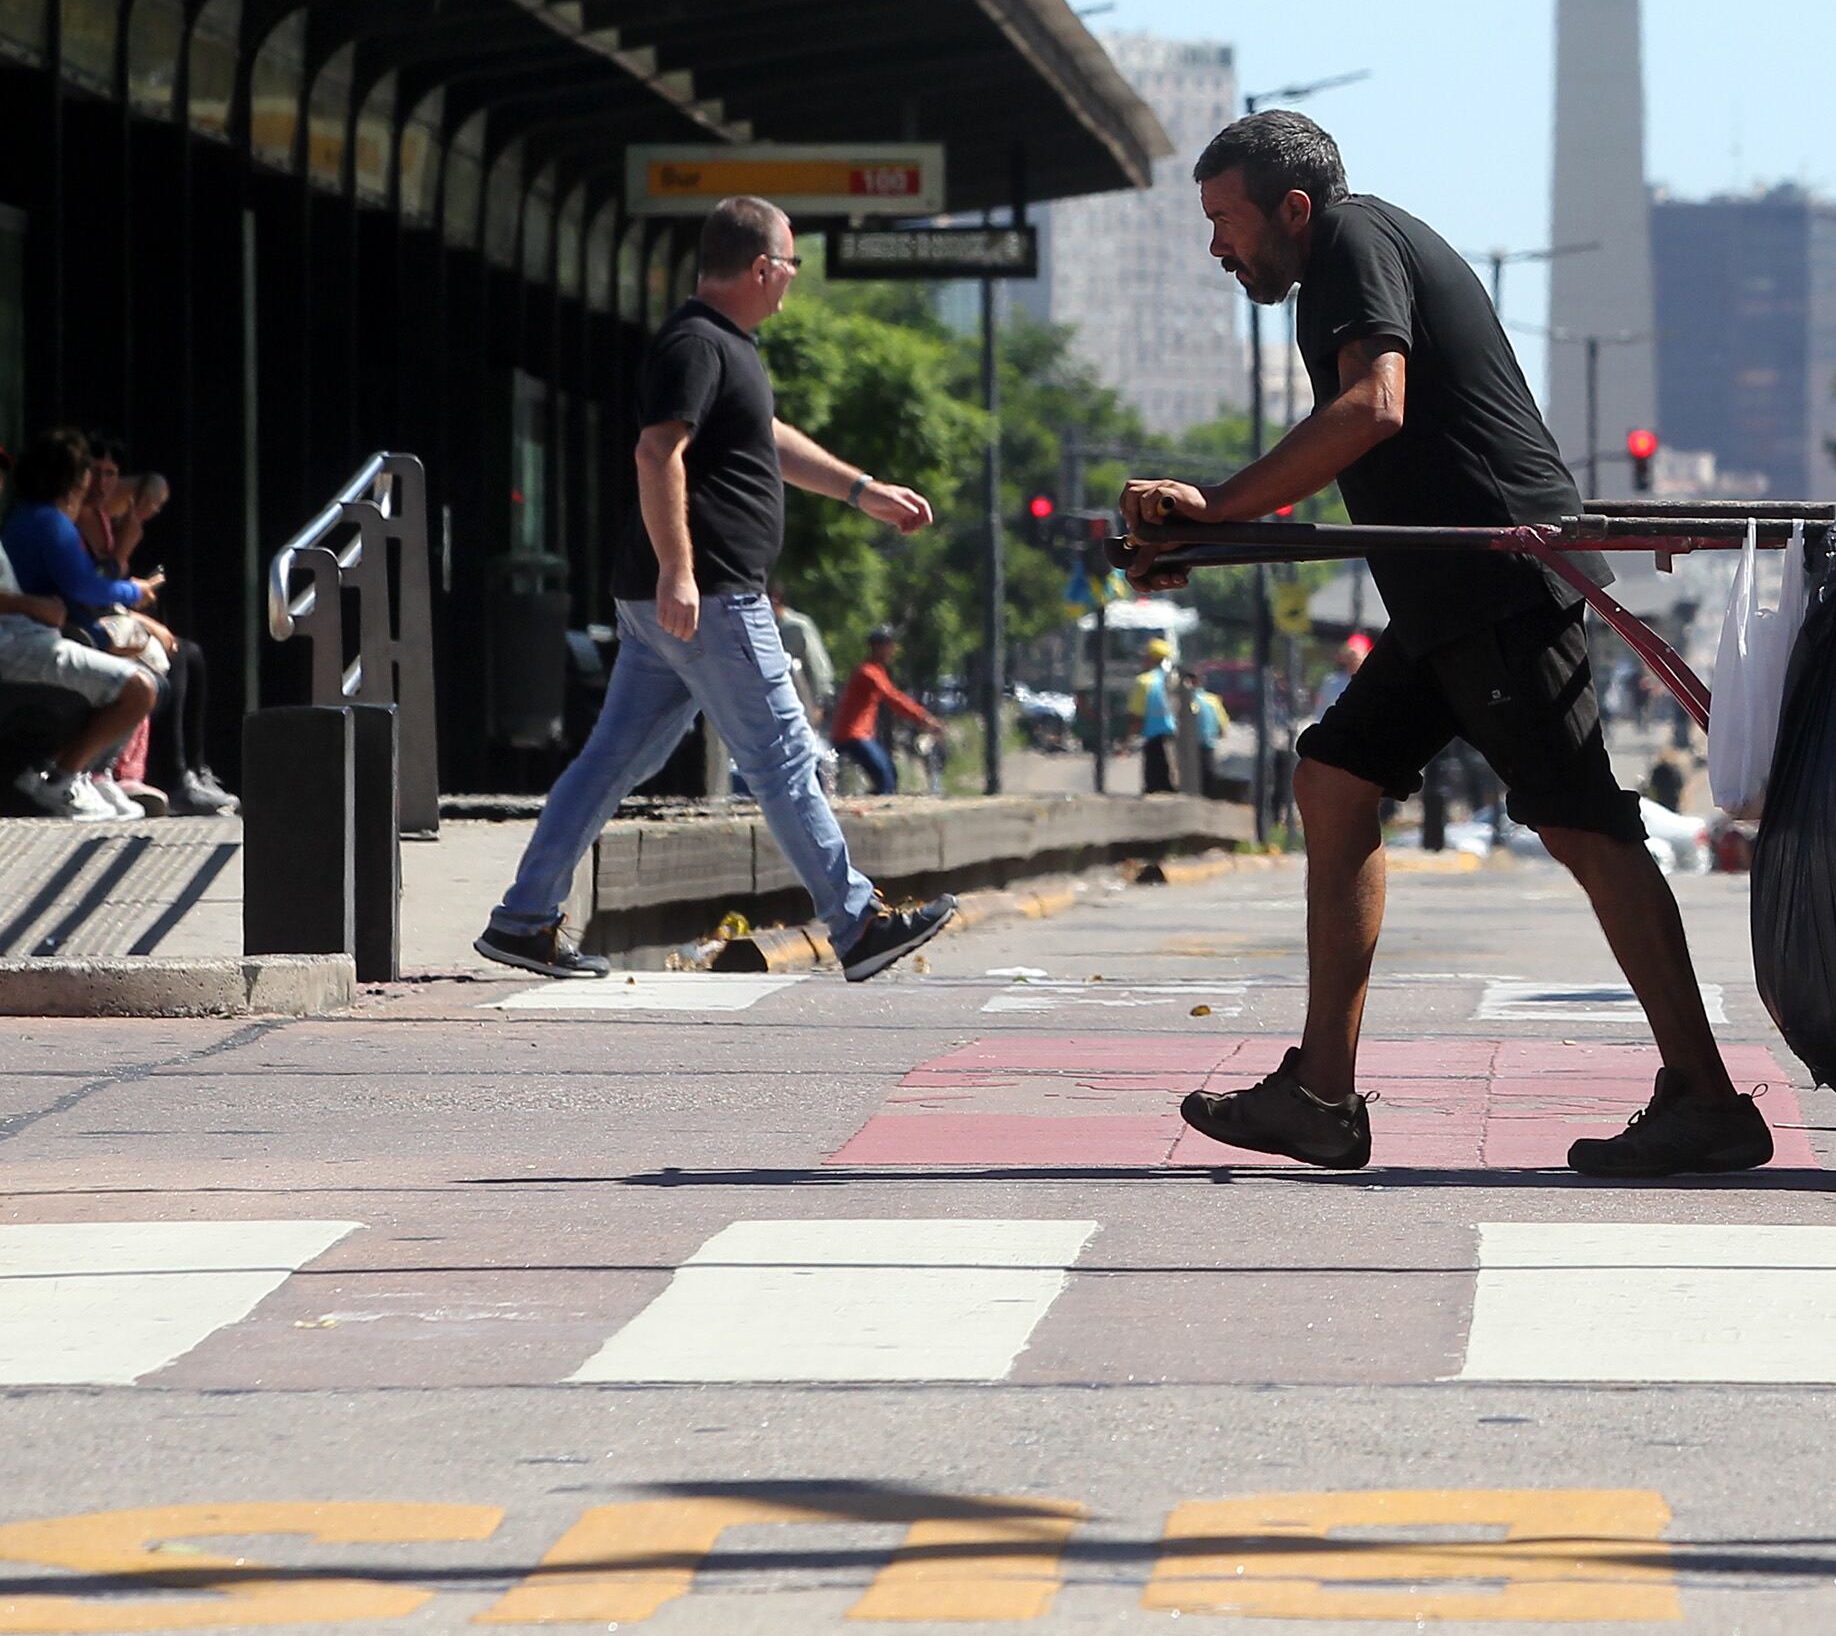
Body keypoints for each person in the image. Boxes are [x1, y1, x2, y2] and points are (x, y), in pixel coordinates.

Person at [1121, 109, 1767, 1178]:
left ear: (1292, 208)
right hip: (1446, 593)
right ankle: (1322, 1095)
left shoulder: (1351, 245)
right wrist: (1216, 526)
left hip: (1496, 582)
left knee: (1582, 823)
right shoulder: (1337, 260)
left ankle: (1706, 1096)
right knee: (1332, 777)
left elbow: (1374, 407)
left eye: (1226, 221)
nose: (1215, 245)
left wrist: (1222, 506)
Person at [475, 196, 961, 982]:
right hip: (712, 598)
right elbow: (655, 452)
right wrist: (681, 570)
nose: (793, 281)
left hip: (678, 605)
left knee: (609, 764)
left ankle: (525, 919)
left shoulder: (727, 348)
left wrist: (860, 488)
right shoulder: (697, 343)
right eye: (792, 266)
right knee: (782, 761)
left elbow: (766, 436)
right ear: (764, 267)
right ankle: (858, 922)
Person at [3, 432, 222, 816]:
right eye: (90, 474)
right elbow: (83, 587)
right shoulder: (48, 520)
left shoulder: (33, 518)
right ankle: (67, 777)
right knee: (143, 684)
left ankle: (83, 773)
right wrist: (134, 593)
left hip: (41, 634)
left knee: (163, 669)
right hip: (31, 641)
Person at [0, 530, 156, 820]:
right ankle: (62, 780)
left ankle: (63, 773)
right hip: (11, 646)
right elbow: (83, 586)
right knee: (138, 688)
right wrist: (33, 605)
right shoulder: (45, 522)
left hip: (31, 636)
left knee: (147, 675)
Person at [827, 625, 938, 797]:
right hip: (852, 735)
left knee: (890, 773)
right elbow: (893, 698)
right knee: (885, 776)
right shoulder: (867, 672)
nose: (893, 650)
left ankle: (874, 803)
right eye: (889, 645)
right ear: (878, 647)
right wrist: (923, 717)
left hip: (860, 735)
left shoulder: (877, 671)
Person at [772, 583, 833, 730]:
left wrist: (820, 702)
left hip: (801, 701)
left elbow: (818, 664)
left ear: (775, 598)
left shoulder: (797, 626)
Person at [1130, 634, 1184, 794]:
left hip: (1154, 740)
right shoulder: (1176, 681)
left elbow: (1137, 715)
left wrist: (1127, 740)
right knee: (1172, 782)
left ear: (1151, 658)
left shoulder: (1144, 681)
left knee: (1154, 784)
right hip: (1175, 738)